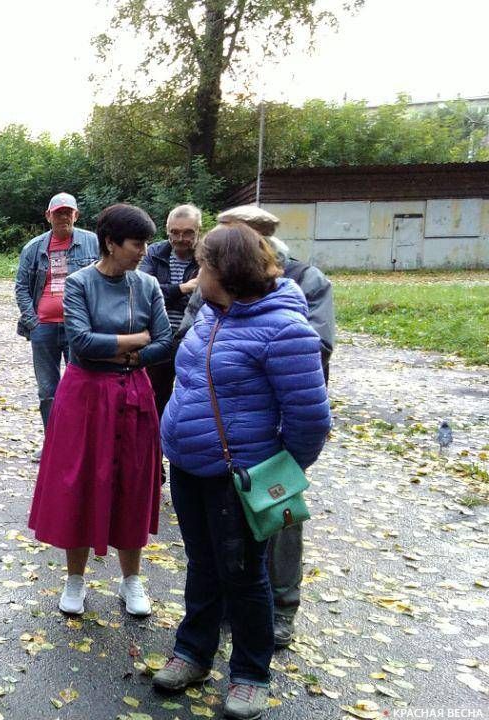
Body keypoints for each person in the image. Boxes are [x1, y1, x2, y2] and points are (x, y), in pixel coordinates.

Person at [153, 224, 331, 719]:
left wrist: (277, 471)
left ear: (225, 272)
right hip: (189, 466)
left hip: (239, 476)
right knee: (203, 564)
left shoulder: (286, 331)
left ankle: (251, 675)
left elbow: (311, 418)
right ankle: (193, 653)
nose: (196, 273)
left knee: (244, 574)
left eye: (204, 265)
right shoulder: (211, 315)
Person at [201, 206, 337, 650]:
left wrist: (287, 460)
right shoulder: (213, 284)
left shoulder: (304, 279)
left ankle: (282, 606)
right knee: (225, 532)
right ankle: (228, 605)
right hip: (221, 434)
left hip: (273, 428)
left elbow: (316, 348)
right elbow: (191, 333)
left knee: (278, 517)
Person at [27, 204, 171, 619]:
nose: (144, 250)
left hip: (132, 393)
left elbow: (164, 341)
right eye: (136, 243)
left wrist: (130, 356)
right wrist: (135, 341)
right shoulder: (78, 283)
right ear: (111, 243)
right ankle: (75, 579)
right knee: (81, 482)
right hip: (86, 397)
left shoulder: (147, 286)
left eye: (145, 242)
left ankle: (131, 580)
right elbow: (81, 344)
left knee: (132, 482)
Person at [14, 192, 101, 458]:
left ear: (76, 215)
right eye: (58, 212)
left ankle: (81, 444)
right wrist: (33, 321)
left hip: (80, 329)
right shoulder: (34, 248)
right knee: (48, 390)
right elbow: (21, 288)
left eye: (68, 212)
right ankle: (53, 443)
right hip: (44, 328)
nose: (63, 217)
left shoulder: (93, 243)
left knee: (82, 387)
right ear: (48, 215)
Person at [139, 204, 202, 417]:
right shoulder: (154, 253)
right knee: (155, 396)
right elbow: (144, 293)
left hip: (193, 336)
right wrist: (184, 288)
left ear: (198, 231)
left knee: (192, 399)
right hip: (157, 335)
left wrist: (165, 295)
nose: (180, 238)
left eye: (187, 232)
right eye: (174, 232)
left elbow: (206, 300)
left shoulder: (208, 256)